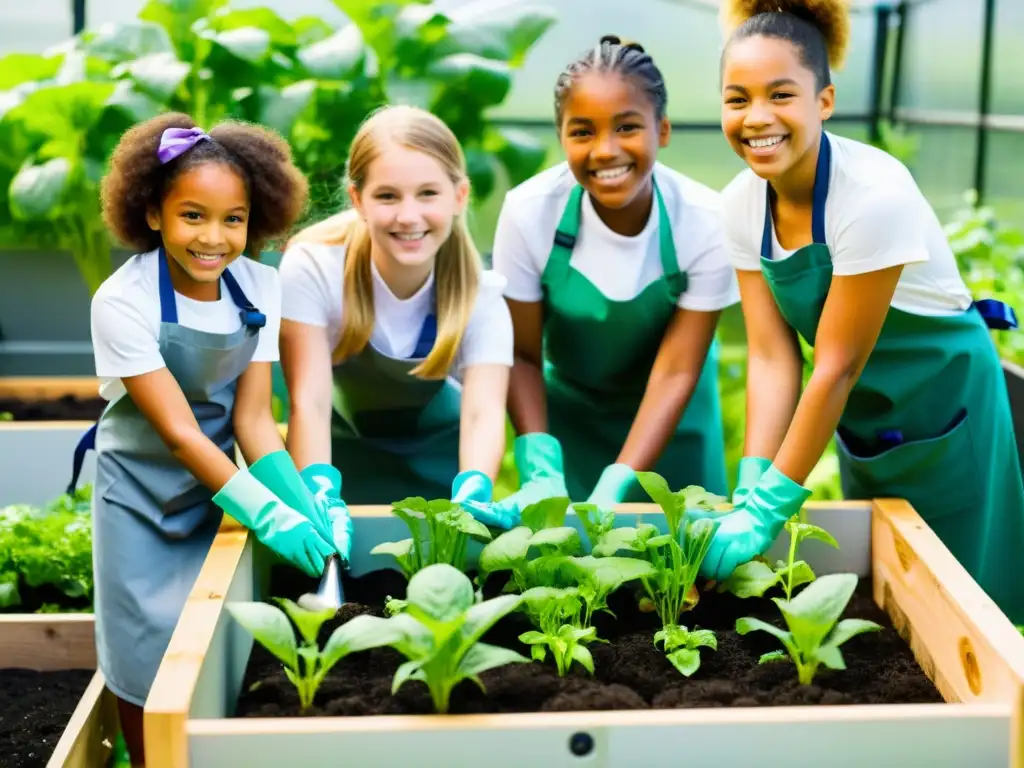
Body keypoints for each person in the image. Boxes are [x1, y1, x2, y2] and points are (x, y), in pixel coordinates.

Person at [705, 0, 1024, 624]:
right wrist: (751, 480)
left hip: (945, 404)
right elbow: (772, 357)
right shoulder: (739, 205)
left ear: (824, 100)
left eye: (781, 94)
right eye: (737, 99)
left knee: (964, 608)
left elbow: (836, 364)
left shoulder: (873, 196)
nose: (757, 117)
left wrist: (770, 506)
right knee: (887, 599)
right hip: (864, 420)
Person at [79, 113, 340, 764]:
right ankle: (144, 757)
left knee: (210, 642)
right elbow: (177, 431)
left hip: (216, 489)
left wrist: (302, 499)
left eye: (235, 218)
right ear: (153, 214)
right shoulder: (123, 301)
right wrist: (262, 508)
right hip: (138, 495)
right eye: (193, 215)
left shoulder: (261, 285)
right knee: (142, 644)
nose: (215, 238)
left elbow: (252, 420)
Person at [488, 35, 740, 523]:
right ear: (561, 137)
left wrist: (621, 478)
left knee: (689, 575)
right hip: (566, 425)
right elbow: (519, 352)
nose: (605, 151)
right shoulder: (529, 212)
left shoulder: (705, 219)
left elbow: (677, 370)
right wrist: (540, 464)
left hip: (676, 421)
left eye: (627, 127)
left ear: (661, 130)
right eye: (582, 132)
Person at [277, 105, 513, 522]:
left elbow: (484, 411)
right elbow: (309, 403)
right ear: (358, 200)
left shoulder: (481, 294)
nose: (408, 216)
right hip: (340, 462)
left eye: (428, 193)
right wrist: (316, 489)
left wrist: (474, 486)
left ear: (459, 197)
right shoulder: (314, 269)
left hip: (442, 471)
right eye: (387, 196)